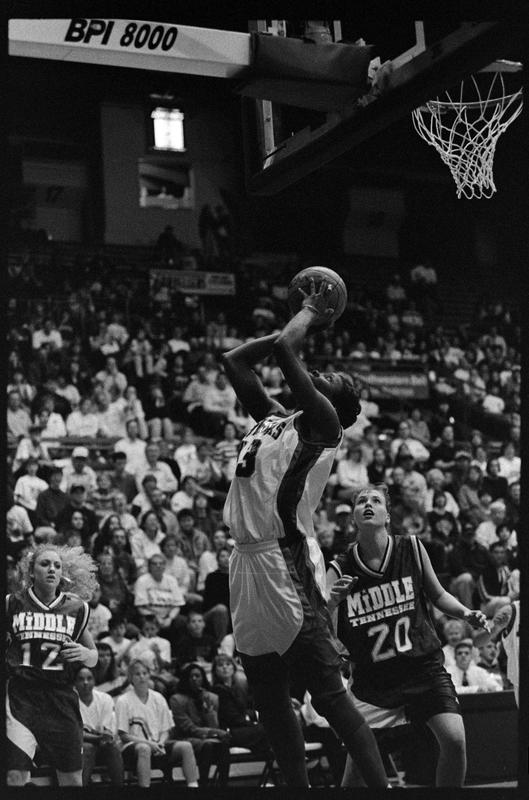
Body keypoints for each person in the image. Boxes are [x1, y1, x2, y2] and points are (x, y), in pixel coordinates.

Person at [221, 278, 388, 787]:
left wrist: (311, 312)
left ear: (334, 403)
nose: (322, 373)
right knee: (271, 702)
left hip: (285, 559)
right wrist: (293, 324)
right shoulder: (276, 419)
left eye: (331, 378)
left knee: (330, 698)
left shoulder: (323, 423)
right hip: (244, 563)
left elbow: (286, 352)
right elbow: (234, 362)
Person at [327, 483, 489, 787]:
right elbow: (323, 626)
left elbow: (438, 594)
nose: (368, 504)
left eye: (376, 500)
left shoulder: (411, 547)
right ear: (354, 517)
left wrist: (466, 613)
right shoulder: (339, 568)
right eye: (361, 501)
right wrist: (332, 601)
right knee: (355, 775)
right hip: (374, 681)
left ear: (388, 515)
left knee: (455, 740)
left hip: (422, 668)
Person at [6, 544, 98, 786]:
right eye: (45, 564)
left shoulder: (76, 608)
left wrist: (85, 653)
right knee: (14, 776)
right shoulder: (12, 604)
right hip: (22, 698)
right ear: (31, 571)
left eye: (57, 565)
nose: (52, 569)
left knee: (72, 780)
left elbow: (94, 658)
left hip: (61, 699)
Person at [115, 660, 199, 787]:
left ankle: (193, 785)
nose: (142, 677)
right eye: (137, 674)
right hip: (133, 747)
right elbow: (124, 735)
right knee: (144, 748)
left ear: (149, 675)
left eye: (144, 673)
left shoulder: (158, 698)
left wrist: (160, 743)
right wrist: (150, 744)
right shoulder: (123, 701)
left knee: (186, 746)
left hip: (158, 745)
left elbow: (166, 730)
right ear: (131, 678)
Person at [169, 661, 231, 787]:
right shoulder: (177, 699)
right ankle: (203, 784)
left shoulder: (211, 697)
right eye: (191, 676)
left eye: (197, 676)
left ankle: (224, 784)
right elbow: (188, 727)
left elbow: (215, 726)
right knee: (208, 745)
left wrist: (209, 712)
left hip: (207, 738)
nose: (194, 679)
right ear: (185, 679)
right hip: (185, 738)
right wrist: (214, 732)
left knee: (223, 744)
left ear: (203, 679)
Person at [73, 665, 124, 786]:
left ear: (94, 681)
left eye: (89, 678)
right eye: (81, 679)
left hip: (102, 746)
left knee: (113, 747)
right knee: (87, 747)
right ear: (74, 682)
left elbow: (107, 732)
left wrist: (103, 737)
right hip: (78, 748)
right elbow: (76, 734)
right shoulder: (69, 701)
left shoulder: (105, 699)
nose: (85, 682)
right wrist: (98, 737)